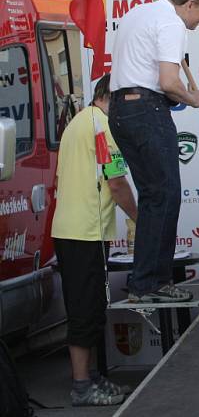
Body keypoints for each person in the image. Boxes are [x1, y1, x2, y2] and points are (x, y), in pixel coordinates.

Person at [109, 0, 199, 301]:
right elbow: (168, 81)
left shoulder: (137, 14)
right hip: (146, 109)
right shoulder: (171, 23)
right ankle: (152, 283)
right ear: (190, 3)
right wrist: (195, 98)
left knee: (154, 195)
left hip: (120, 109)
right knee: (165, 195)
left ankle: (144, 283)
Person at [52, 75, 137, 406]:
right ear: (110, 98)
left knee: (84, 307)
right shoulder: (103, 126)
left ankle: (90, 378)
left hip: (71, 229)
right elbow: (116, 182)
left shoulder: (77, 123)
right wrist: (140, 218)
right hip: (84, 232)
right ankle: (82, 385)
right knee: (85, 310)